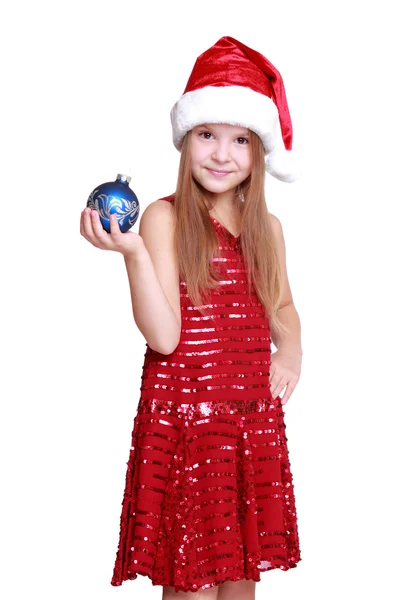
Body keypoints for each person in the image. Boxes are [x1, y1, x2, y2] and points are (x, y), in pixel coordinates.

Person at [80, 36, 303, 600]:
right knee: (191, 587)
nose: (222, 154)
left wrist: (291, 351)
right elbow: (165, 334)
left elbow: (281, 307)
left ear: (259, 152)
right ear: (186, 139)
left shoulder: (266, 230)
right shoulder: (164, 217)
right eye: (208, 135)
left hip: (247, 429)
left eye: (239, 140)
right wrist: (133, 256)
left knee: (240, 586)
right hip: (188, 427)